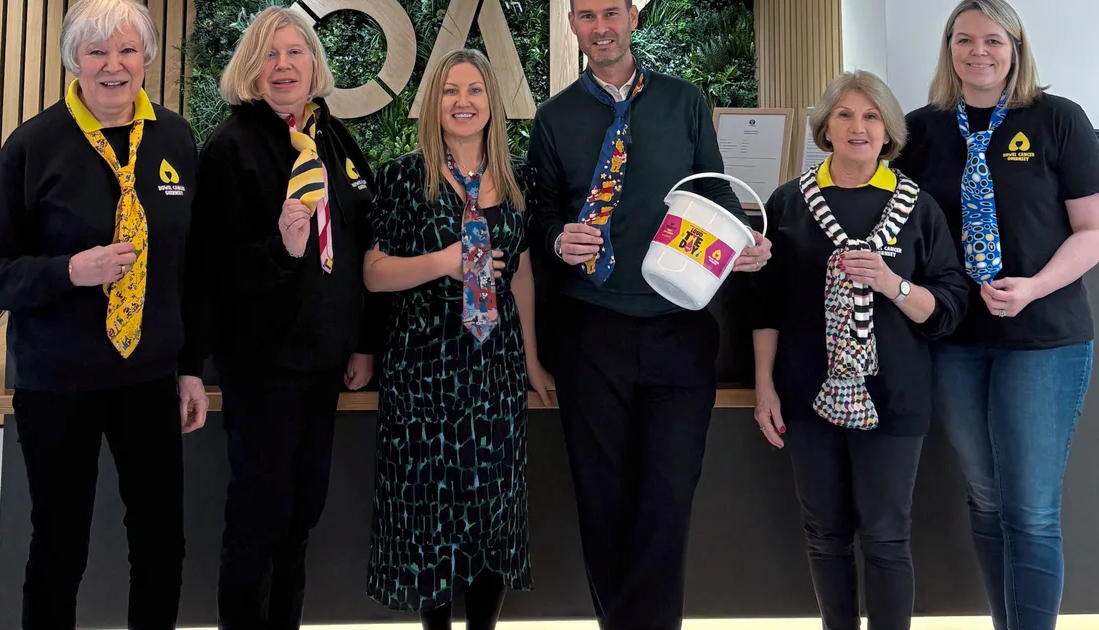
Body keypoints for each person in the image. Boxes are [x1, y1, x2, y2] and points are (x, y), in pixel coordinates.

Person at [526, 0, 771, 626]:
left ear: (633, 17)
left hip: (679, 327)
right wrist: (558, 238)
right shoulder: (554, 119)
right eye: (586, 16)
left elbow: (714, 193)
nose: (601, 27)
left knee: (667, 500)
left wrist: (746, 240)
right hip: (591, 328)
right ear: (574, 26)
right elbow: (540, 213)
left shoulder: (685, 102)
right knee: (601, 500)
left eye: (612, 12)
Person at [0, 0, 203, 627]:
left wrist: (189, 368)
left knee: (161, 544)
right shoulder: (34, 145)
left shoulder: (174, 137)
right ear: (73, 60)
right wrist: (68, 272)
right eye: (97, 52)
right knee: (59, 545)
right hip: (58, 383)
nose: (113, 65)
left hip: (149, 377)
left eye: (128, 50)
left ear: (147, 59)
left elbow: (189, 267)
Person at [890, 2, 1099, 628]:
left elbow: (1092, 230)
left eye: (992, 40)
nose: (977, 52)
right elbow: (882, 212)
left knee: (1030, 509)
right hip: (955, 340)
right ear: (948, 48)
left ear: (1015, 46)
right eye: (963, 40)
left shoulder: (1059, 120)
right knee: (984, 500)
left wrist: (1033, 287)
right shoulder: (922, 130)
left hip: (1043, 340)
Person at [177, 7, 381, 628]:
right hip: (261, 367)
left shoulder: (334, 139)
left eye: (295, 52)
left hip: (323, 364)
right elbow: (211, 271)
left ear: (314, 64)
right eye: (270, 54)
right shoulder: (228, 149)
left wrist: (363, 341)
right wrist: (282, 250)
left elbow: (358, 245)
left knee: (300, 518)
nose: (284, 65)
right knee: (259, 521)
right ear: (251, 69)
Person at [752, 70, 968, 630]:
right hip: (807, 397)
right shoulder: (789, 202)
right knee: (824, 535)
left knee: (887, 536)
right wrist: (764, 387)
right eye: (845, 115)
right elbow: (766, 307)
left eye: (871, 116)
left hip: (895, 398)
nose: (858, 127)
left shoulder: (917, 207)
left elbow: (948, 307)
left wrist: (892, 283)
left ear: (889, 130)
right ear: (824, 128)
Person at [363, 48, 552, 629]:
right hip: (424, 371)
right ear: (433, 103)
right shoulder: (402, 175)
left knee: (492, 508)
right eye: (450, 91)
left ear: (493, 102)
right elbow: (373, 271)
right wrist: (443, 261)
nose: (462, 102)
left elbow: (520, 271)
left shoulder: (519, 180)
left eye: (474, 90)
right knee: (430, 513)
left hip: (493, 368)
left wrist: (534, 361)